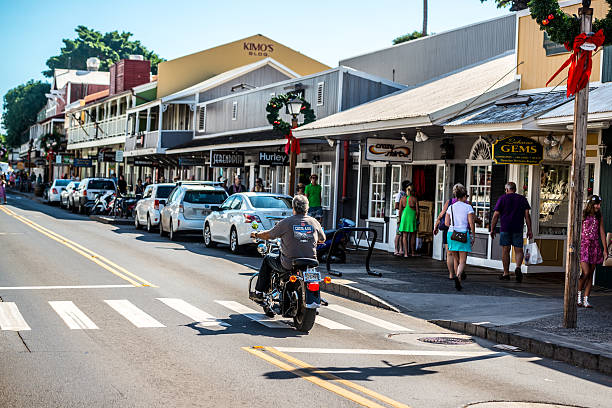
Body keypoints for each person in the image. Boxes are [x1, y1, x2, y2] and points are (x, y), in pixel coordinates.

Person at [250, 195, 326, 302]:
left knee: (268, 258)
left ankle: (259, 292)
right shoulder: (314, 222)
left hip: (289, 263)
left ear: (293, 208)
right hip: (310, 262)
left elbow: (269, 235)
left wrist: (256, 234)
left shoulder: (286, 222)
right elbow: (322, 239)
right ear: (307, 208)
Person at [489, 181, 533, 282]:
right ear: (515, 189)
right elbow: (527, 215)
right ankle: (518, 267)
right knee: (518, 250)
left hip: (505, 228)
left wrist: (492, 229)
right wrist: (529, 230)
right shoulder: (522, 199)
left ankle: (506, 273)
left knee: (505, 250)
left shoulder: (502, 198)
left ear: (507, 189)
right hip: (518, 228)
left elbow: (495, 215)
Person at [578, 195, 608, 308]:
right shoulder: (583, 215)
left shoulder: (599, 216)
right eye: (597, 204)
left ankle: (586, 300)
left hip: (594, 246)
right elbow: (577, 230)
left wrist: (605, 249)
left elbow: (602, 233)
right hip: (584, 245)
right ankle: (578, 296)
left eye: (599, 204)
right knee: (585, 272)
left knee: (590, 274)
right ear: (591, 204)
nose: (599, 206)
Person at [445, 184, 475, 291]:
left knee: (455, 258)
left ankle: (455, 276)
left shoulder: (451, 207)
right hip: (463, 234)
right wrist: (473, 235)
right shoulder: (468, 207)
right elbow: (471, 223)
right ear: (464, 196)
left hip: (451, 234)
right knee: (463, 260)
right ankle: (458, 277)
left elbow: (446, 223)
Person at [434, 197, 459, 280]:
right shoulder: (467, 203)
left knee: (449, 253)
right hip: (461, 231)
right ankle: (458, 273)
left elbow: (441, 215)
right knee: (458, 254)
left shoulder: (450, 202)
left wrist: (436, 226)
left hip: (448, 230)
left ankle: (451, 274)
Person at [398, 184, 419, 257]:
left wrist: (400, 219)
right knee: (413, 235)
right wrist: (417, 219)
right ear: (412, 191)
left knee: (404, 236)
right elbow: (417, 211)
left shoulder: (402, 199)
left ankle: (406, 253)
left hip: (404, 217)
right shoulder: (415, 199)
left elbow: (400, 211)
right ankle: (413, 253)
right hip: (412, 217)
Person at [394, 180, 410, 256]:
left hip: (406, 216)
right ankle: (395, 249)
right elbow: (396, 206)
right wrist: (404, 207)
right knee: (398, 233)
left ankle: (401, 249)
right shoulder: (400, 194)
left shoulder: (407, 194)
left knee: (403, 233)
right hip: (400, 215)